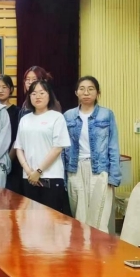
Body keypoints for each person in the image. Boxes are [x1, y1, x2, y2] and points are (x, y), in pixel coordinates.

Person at [63, 76, 121, 232]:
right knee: (79, 218)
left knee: (98, 217)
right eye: (82, 89)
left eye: (91, 89)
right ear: (76, 92)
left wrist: (114, 176)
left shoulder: (106, 114)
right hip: (75, 169)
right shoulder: (68, 116)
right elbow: (63, 148)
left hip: (100, 170)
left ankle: (99, 247)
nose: (86, 93)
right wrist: (63, 177)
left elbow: (113, 146)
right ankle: (83, 248)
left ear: (97, 93)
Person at [14, 80, 71, 215]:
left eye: (41, 93)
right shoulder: (25, 119)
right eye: (33, 93)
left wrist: (38, 171)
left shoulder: (57, 117)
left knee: (51, 219)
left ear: (49, 95)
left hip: (51, 176)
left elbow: (57, 148)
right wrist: (29, 171)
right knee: (31, 218)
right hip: (28, 177)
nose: (37, 96)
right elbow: (19, 148)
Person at [0, 75, 22, 194]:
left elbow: (18, 138)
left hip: (12, 160)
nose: (0, 90)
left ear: (11, 89)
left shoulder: (18, 112)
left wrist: (8, 159)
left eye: (4, 87)